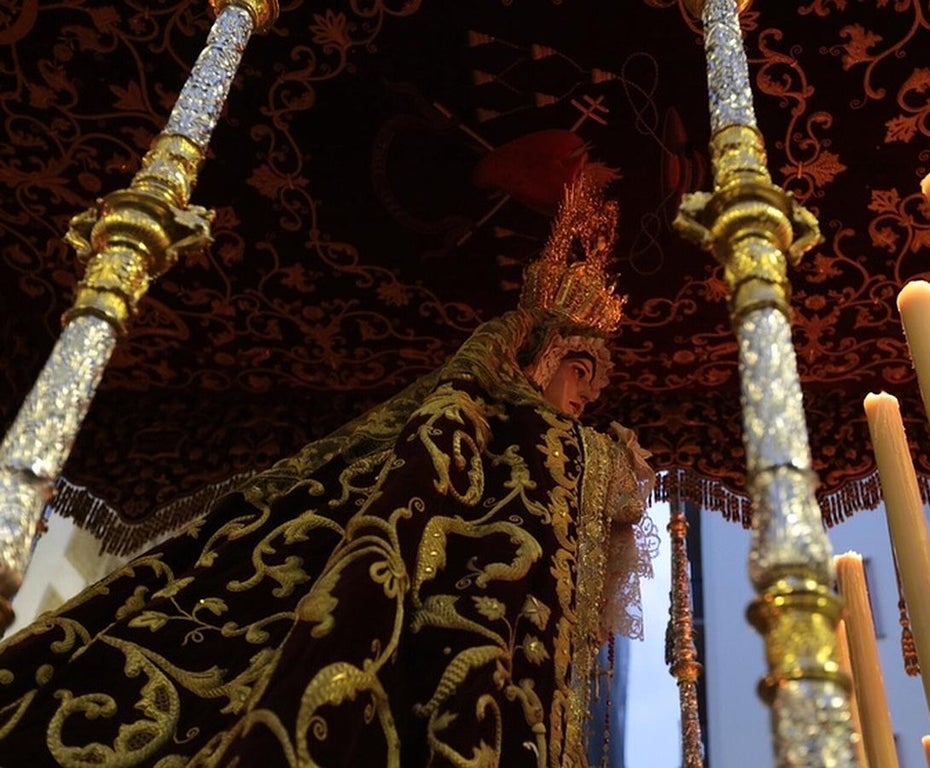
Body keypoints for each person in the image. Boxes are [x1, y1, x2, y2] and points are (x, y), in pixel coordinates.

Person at [0, 174, 655, 767]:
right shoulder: (490, 427)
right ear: (545, 356)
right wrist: (602, 462)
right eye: (581, 373)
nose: (586, 398)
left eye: (594, 390)